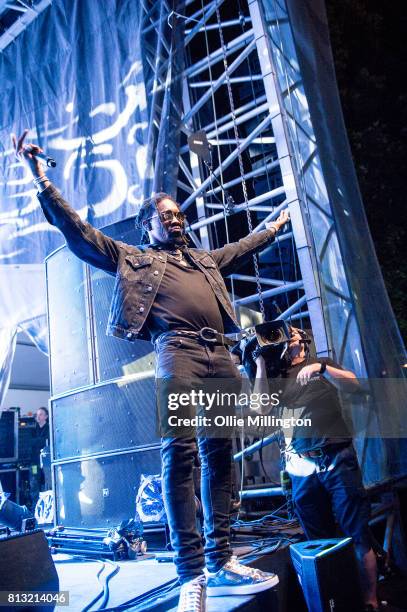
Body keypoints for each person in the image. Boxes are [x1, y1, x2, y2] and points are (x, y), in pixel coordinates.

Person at [12, 130, 290, 612]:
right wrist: (42, 182)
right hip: (177, 352)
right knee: (180, 456)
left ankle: (221, 560)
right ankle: (191, 574)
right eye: (167, 216)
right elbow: (78, 232)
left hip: (219, 354)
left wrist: (271, 229)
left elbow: (240, 249)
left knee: (220, 455)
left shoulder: (203, 260)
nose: (177, 221)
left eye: (181, 215)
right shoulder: (134, 259)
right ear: (148, 225)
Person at [251, 326, 381, 612]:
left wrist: (322, 368)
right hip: (301, 465)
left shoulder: (322, 366)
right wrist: (260, 361)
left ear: (304, 342)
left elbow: (356, 385)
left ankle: (370, 602)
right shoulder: (275, 377)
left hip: (336, 457)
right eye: (286, 336)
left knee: (356, 533)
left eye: (295, 334)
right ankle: (331, 601)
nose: (290, 337)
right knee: (318, 540)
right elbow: (259, 407)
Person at [29, 406, 50, 511]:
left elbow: (45, 441)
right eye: (37, 414)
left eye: (41, 414)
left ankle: (48, 507)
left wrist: (37, 441)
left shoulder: (49, 429)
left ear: (46, 416)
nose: (38, 416)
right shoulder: (33, 429)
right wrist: (39, 441)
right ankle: (35, 508)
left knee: (47, 483)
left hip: (46, 463)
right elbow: (30, 442)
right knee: (34, 483)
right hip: (34, 463)